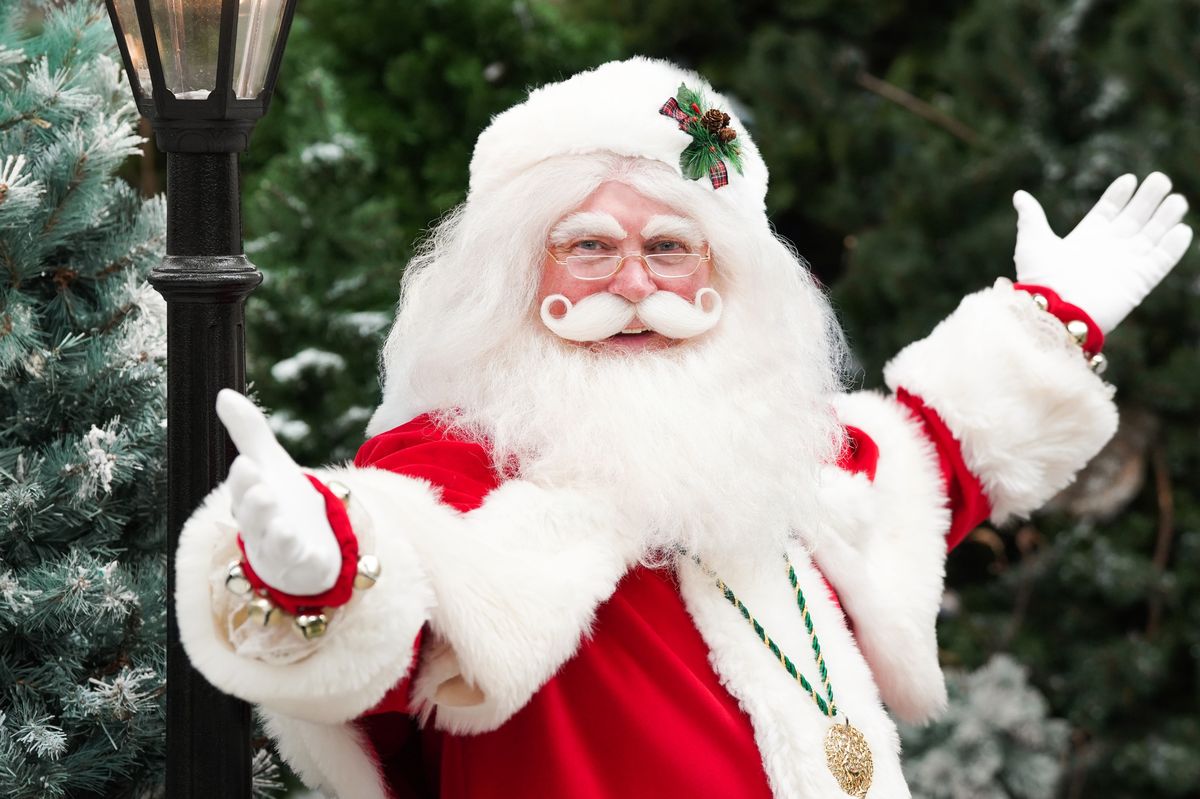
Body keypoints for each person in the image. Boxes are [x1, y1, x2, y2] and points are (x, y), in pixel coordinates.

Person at [175, 57, 1192, 798]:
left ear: (725, 277)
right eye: (589, 247)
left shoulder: (772, 445)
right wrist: (311, 575)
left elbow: (927, 455)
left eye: (669, 246)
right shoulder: (456, 460)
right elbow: (384, 591)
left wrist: (1051, 318)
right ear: (511, 277)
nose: (634, 283)